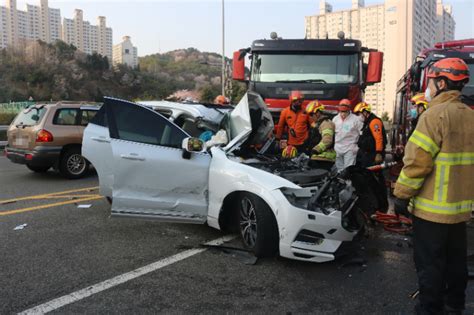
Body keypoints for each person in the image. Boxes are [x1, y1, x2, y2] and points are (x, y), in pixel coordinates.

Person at [393, 58, 473, 315]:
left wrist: (402, 196)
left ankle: (430, 309)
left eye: (430, 82)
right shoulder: (470, 116)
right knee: (456, 263)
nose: (427, 88)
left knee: (430, 264)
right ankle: (455, 305)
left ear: (441, 82)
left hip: (431, 212)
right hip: (459, 212)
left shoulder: (434, 115)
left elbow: (417, 163)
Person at [353, 102, 387, 167]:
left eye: (359, 114)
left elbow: (378, 138)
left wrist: (378, 153)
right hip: (366, 153)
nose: (358, 116)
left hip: (372, 154)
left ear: (365, 112)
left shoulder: (374, 122)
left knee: (372, 174)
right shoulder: (367, 122)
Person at [332, 99, 363, 171]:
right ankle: (340, 182)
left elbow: (362, 133)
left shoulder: (356, 120)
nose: (343, 114)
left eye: (345, 112)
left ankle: (349, 182)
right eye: (341, 111)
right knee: (339, 170)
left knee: (349, 170)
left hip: (350, 149)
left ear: (349, 110)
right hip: (337, 149)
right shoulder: (335, 119)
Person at [304, 100, 336, 165]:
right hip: (316, 158)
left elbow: (327, 140)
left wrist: (316, 150)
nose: (310, 117)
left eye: (311, 114)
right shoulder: (315, 124)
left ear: (318, 112)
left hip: (325, 159)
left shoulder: (326, 123)